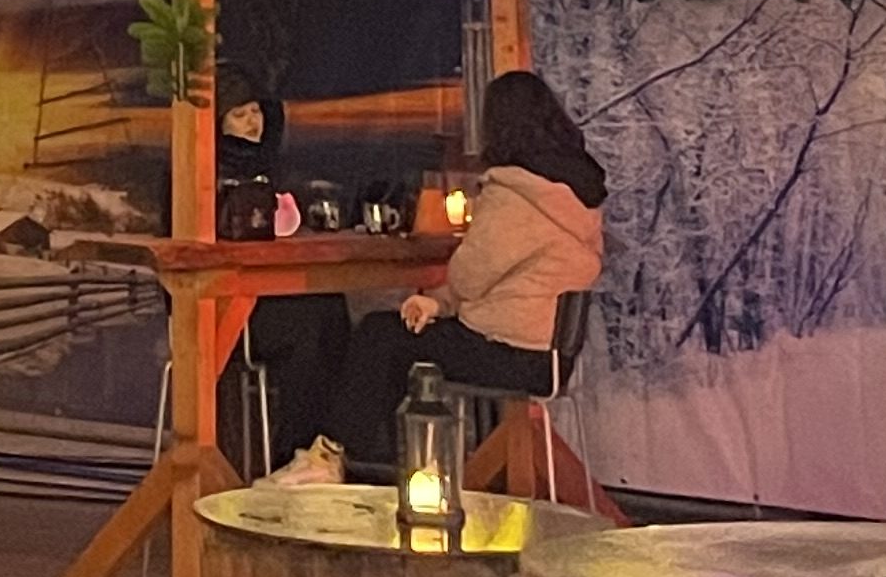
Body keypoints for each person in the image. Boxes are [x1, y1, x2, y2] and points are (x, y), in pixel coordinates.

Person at [273, 68, 604, 485]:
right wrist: (437, 302)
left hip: (510, 351)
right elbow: (490, 278)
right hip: (548, 353)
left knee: (381, 335)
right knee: (395, 339)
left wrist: (445, 295)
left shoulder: (518, 194)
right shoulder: (577, 191)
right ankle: (349, 460)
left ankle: (330, 456)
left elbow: (469, 275)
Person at [211, 73, 346, 473]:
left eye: (256, 111)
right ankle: (293, 453)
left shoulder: (275, 169)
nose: (253, 121)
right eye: (239, 114)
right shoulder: (200, 175)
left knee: (332, 310)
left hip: (270, 293)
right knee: (309, 327)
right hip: (226, 308)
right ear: (217, 123)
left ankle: (321, 450)